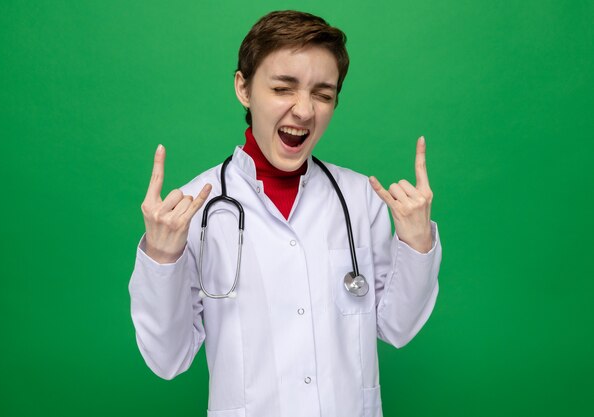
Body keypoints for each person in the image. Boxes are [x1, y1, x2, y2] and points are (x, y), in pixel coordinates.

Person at [129, 10, 441, 417]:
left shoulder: (358, 199)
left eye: (323, 94)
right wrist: (162, 257)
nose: (305, 110)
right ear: (244, 88)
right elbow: (167, 359)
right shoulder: (193, 210)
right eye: (283, 88)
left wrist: (416, 243)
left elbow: (396, 328)